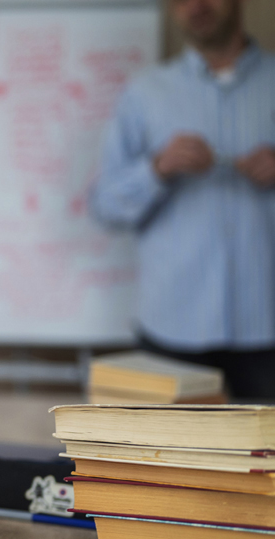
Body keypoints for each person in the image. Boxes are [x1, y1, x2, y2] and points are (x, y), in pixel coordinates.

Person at [90, 0, 275, 399]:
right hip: (172, 329)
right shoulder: (144, 93)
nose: (195, 5)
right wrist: (156, 169)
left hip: (268, 332)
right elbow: (105, 206)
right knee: (167, 459)